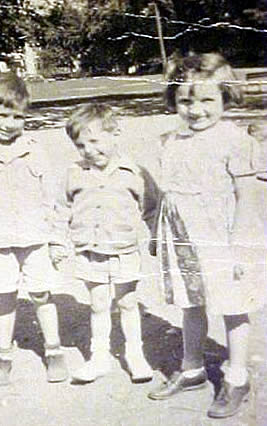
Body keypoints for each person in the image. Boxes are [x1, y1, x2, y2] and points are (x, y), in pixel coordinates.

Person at [146, 53, 266, 419]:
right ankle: (193, 367)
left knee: (233, 305)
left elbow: (247, 195)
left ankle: (238, 376)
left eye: (206, 100)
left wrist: (241, 246)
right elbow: (168, 194)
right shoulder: (171, 140)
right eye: (185, 100)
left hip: (225, 236)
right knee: (190, 301)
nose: (196, 110)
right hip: (183, 236)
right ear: (173, 101)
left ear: (226, 98)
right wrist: (158, 233)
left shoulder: (236, 140)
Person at [0, 72, 68, 386]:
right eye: (2, 115)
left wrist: (57, 240)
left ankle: (54, 349)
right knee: (4, 295)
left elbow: (53, 198)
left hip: (35, 238)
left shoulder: (35, 149)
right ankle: (3, 354)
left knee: (41, 293)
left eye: (17, 117)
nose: (9, 123)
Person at [50, 104, 160, 383]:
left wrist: (156, 237)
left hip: (124, 250)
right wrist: (57, 242)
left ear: (115, 134)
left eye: (95, 141)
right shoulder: (74, 173)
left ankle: (135, 355)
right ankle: (99, 357)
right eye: (80, 145)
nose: (88, 150)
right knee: (98, 304)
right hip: (89, 251)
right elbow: (60, 209)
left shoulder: (134, 172)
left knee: (127, 302)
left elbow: (152, 208)